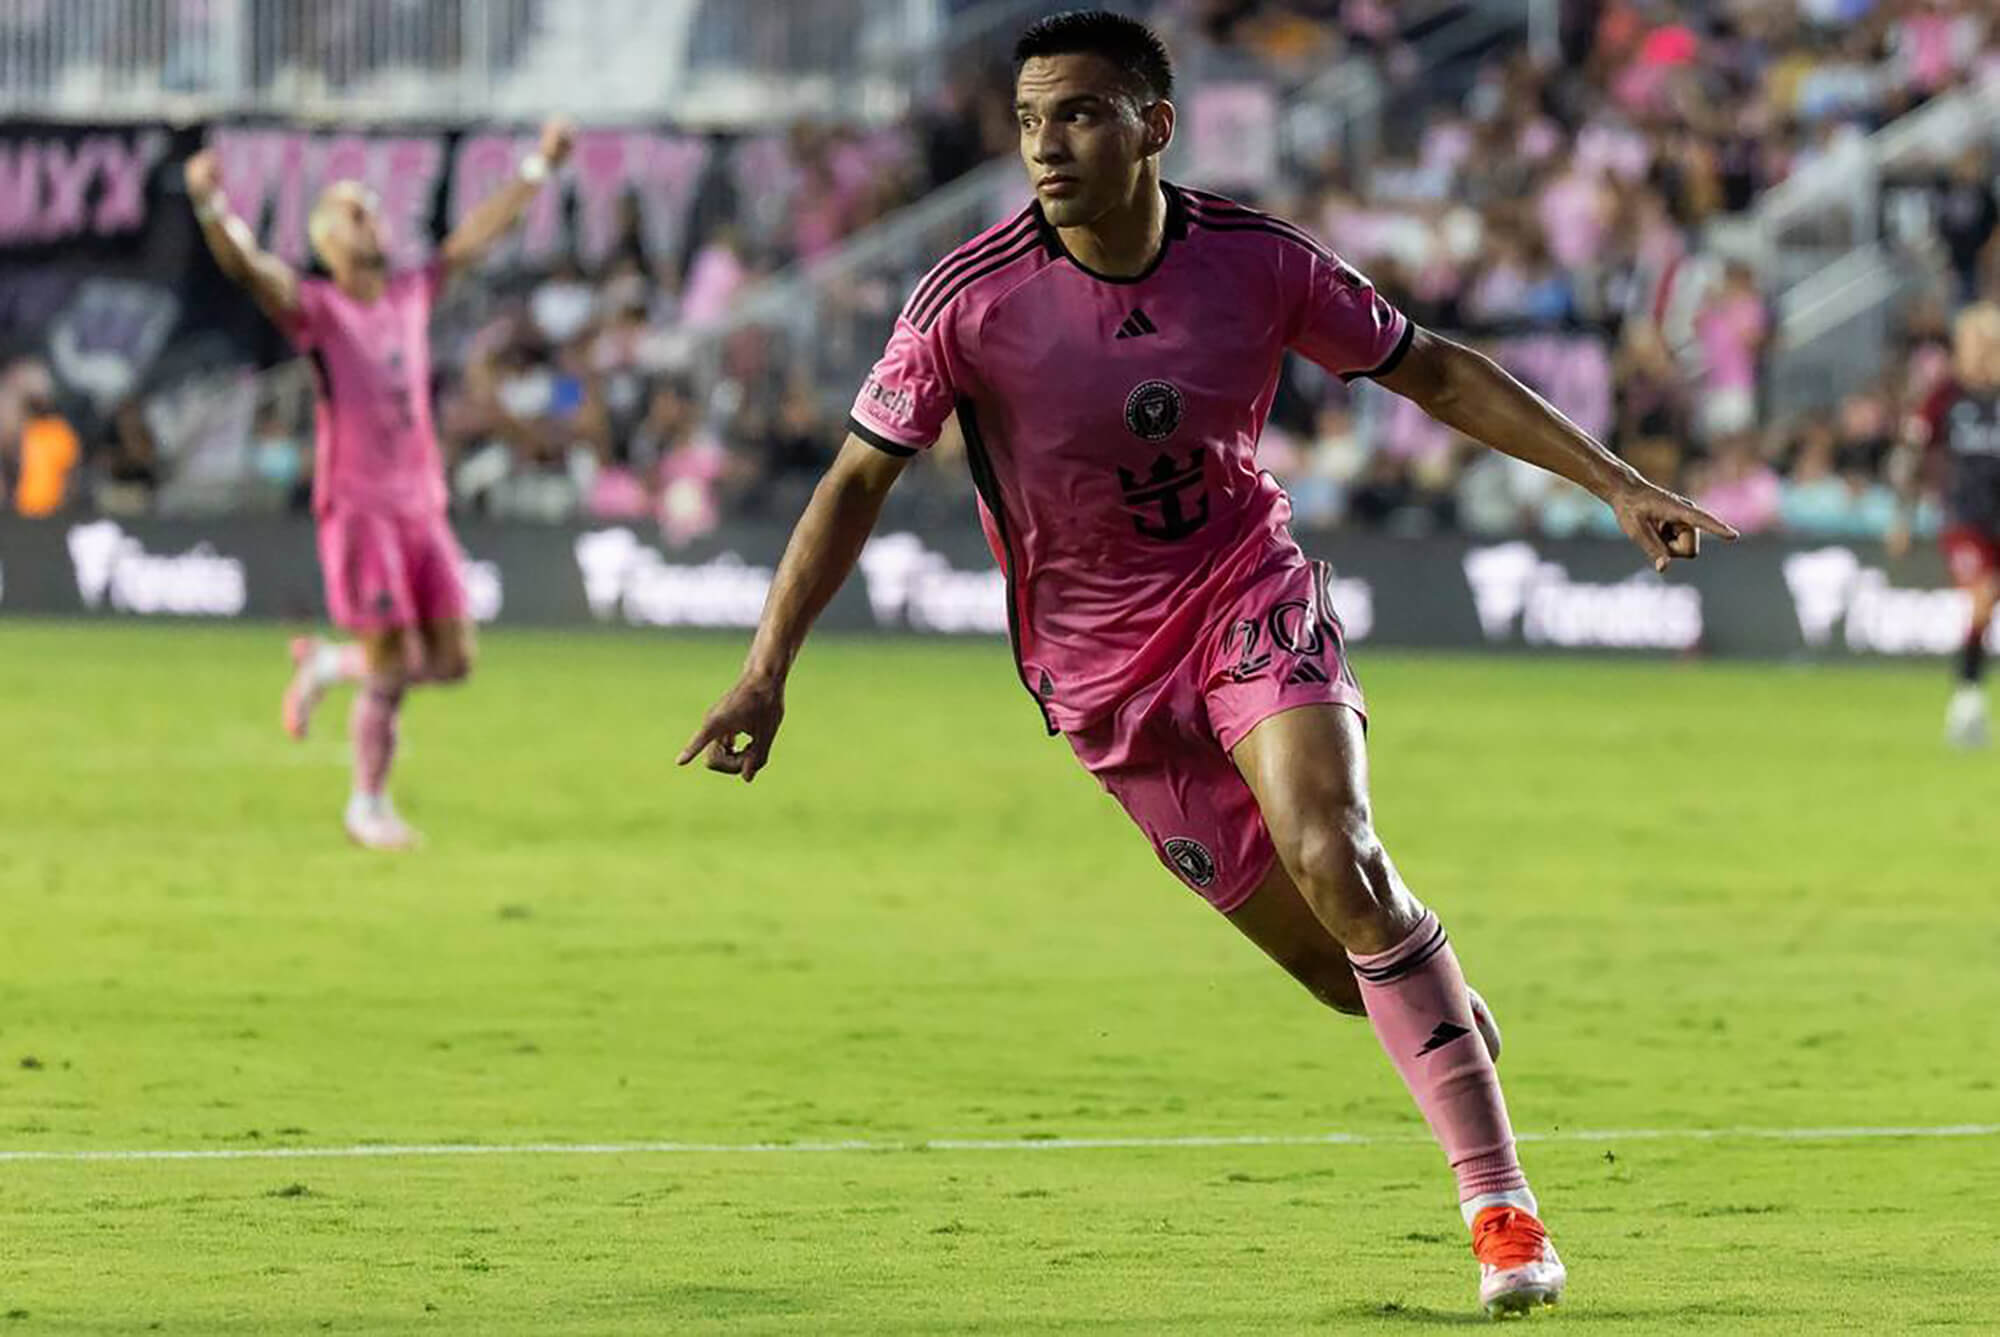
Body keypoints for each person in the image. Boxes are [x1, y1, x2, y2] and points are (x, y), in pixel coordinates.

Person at [679, 12, 1733, 1317]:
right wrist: (767, 665)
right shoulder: (970, 300)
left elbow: (1439, 375)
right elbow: (854, 481)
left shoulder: (1256, 262)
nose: (1045, 146)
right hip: (1100, 675)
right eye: (1027, 121)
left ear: (1153, 126)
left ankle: (1504, 1218)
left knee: (1336, 852)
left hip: (1248, 595)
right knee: (1341, 967)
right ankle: (1436, 1005)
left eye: (1076, 114)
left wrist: (1618, 483)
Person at [185, 120, 575, 848]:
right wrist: (213, 209)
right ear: (329, 242)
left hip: (422, 501)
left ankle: (329, 663)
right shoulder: (316, 308)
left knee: (455, 660)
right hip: (360, 505)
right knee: (393, 666)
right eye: (356, 210)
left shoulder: (412, 291)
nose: (374, 217)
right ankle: (367, 802)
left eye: (373, 206)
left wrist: (538, 166)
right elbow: (247, 267)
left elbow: (480, 232)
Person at [1892, 301, 2000, 749]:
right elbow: (1912, 458)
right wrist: (1903, 516)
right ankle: (1967, 700)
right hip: (1965, 518)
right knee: (1982, 596)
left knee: (1985, 605)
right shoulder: (1944, 397)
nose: (1981, 351)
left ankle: (1969, 696)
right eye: (1974, 342)